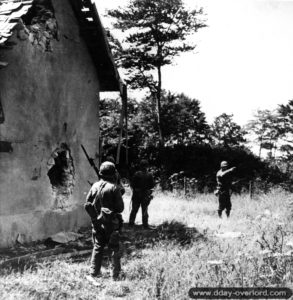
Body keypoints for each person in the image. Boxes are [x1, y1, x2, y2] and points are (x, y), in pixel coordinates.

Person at [84, 161, 124, 280]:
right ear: (113, 174)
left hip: (97, 222)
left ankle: (94, 273)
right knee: (114, 248)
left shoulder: (94, 186)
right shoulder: (114, 188)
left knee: (98, 246)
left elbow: (87, 202)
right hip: (111, 224)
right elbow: (120, 208)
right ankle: (115, 276)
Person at [129, 159, 155, 229]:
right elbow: (152, 186)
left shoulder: (136, 174)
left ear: (140, 166)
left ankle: (131, 224)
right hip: (145, 195)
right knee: (145, 210)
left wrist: (136, 190)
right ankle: (145, 225)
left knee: (134, 210)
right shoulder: (149, 175)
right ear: (147, 166)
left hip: (137, 194)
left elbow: (132, 185)